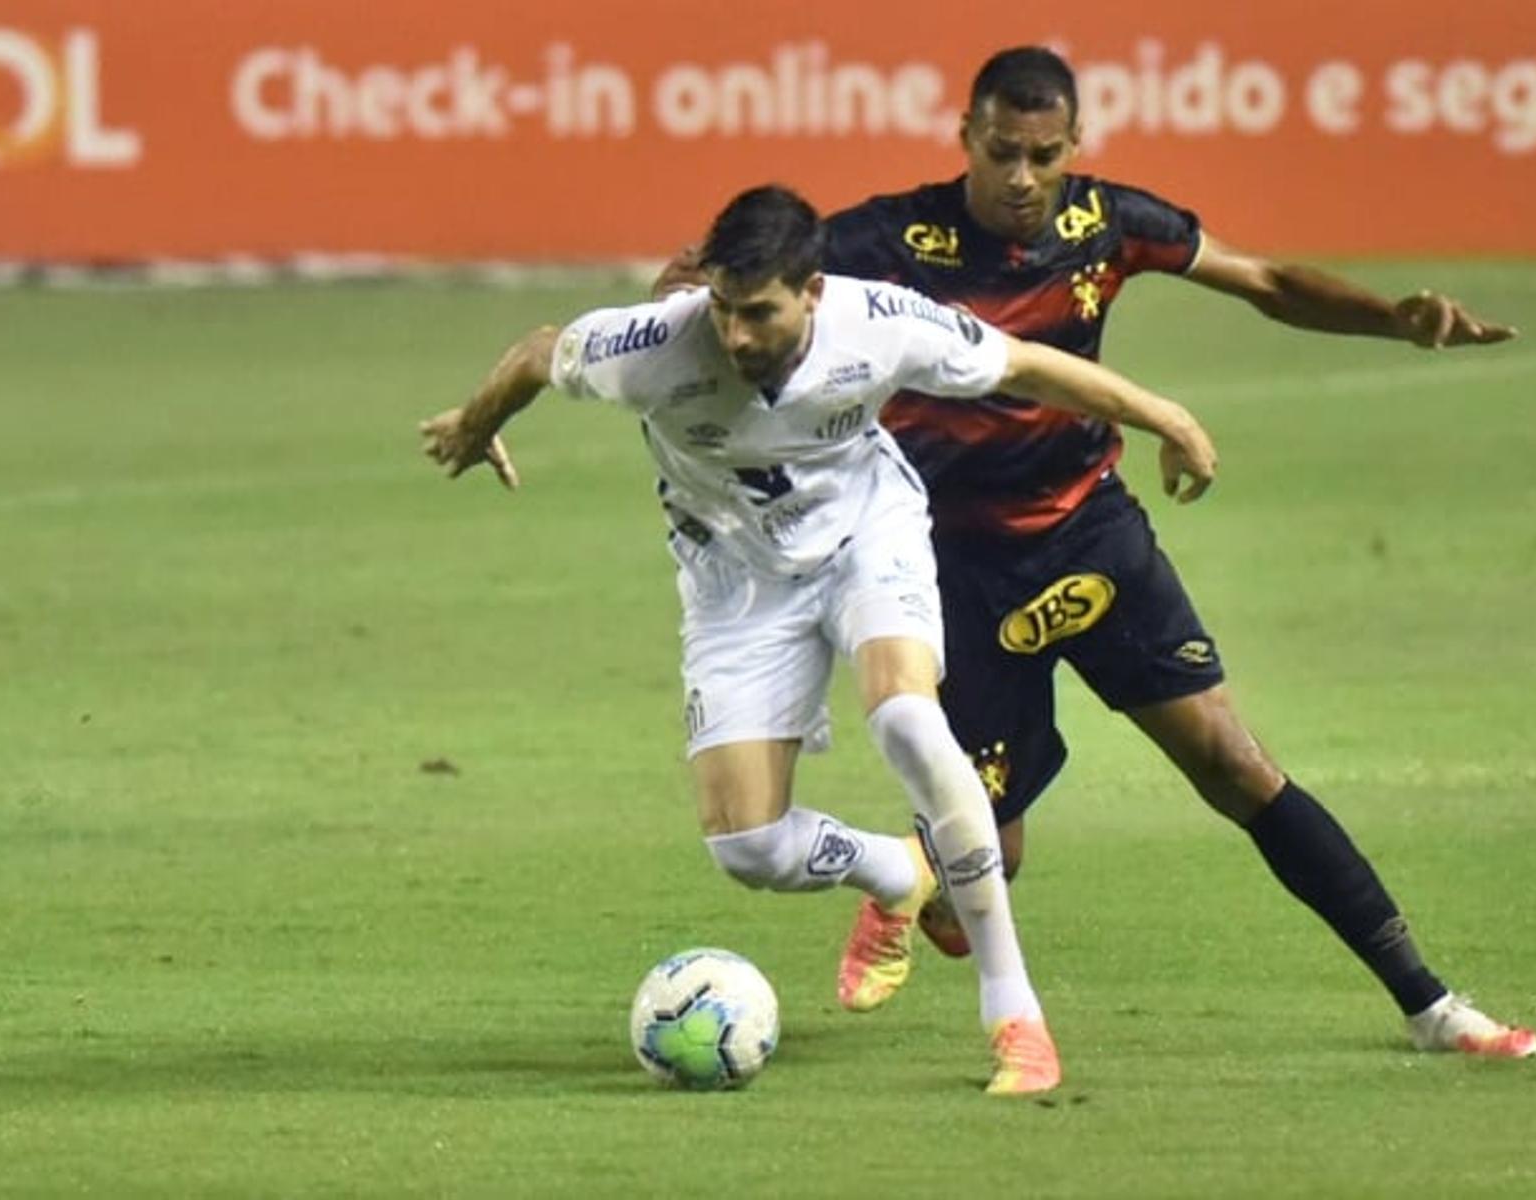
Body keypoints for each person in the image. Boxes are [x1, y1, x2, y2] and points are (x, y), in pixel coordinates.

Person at [806, 46, 1536, 1057]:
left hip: (1090, 535)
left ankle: (1430, 1005)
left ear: (1075, 145)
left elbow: (1266, 280)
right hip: (951, 565)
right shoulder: (889, 237)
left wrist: (1393, 322)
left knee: (1234, 764)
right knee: (990, 861)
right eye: (1002, 152)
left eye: (1044, 155)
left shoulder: (1105, 224)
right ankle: (909, 878)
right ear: (965, 137)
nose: (1022, 179)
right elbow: (739, 281)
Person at [420, 184, 1221, 1094]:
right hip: (736, 587)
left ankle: (1016, 1015)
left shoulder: (878, 322)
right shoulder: (652, 347)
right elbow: (537, 354)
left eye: (757, 313)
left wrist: (1169, 416)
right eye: (723, 310)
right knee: (747, 848)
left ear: (812, 292)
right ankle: (897, 869)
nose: (736, 336)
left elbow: (1024, 366)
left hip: (866, 542)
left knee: (909, 723)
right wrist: (474, 425)